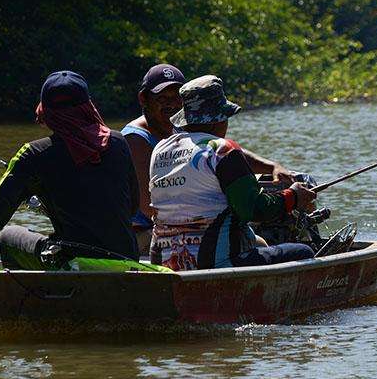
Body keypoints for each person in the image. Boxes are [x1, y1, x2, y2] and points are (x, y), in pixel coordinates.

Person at [0, 70, 142, 272]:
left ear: (46, 112)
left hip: (77, 265)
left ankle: (39, 301)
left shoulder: (33, 154)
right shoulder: (118, 142)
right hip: (127, 259)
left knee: (7, 237)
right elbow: (132, 207)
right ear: (88, 107)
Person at [123, 63, 296, 255]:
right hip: (145, 233)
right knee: (263, 244)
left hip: (182, 229)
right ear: (143, 99)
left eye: (176, 98)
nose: (171, 105)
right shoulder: (135, 140)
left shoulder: (179, 129)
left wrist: (272, 167)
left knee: (257, 239)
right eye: (162, 98)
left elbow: (214, 148)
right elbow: (150, 208)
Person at [148, 75, 317, 270]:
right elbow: (255, 210)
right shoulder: (222, 150)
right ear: (217, 120)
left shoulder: (161, 149)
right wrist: (293, 196)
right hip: (214, 264)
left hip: (163, 264)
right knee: (303, 252)